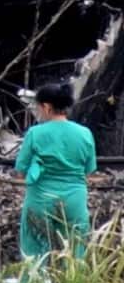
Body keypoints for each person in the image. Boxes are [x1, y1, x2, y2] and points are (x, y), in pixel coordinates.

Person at [16, 83, 97, 262]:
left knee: (34, 253)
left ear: (46, 106)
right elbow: (89, 171)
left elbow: (21, 171)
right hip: (75, 198)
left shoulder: (35, 133)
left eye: (38, 107)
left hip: (41, 198)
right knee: (75, 252)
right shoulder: (85, 133)